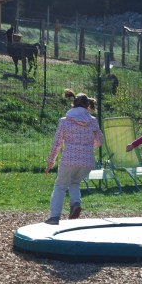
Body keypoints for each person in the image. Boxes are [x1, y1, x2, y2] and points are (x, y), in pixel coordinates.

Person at [44, 89, 104, 225]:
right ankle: (75, 203)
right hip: (87, 161)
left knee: (60, 186)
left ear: (73, 104)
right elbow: (100, 139)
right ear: (87, 105)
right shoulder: (93, 121)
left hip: (69, 159)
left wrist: (50, 162)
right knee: (74, 182)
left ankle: (54, 216)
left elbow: (57, 143)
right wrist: (89, 146)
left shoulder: (64, 121)